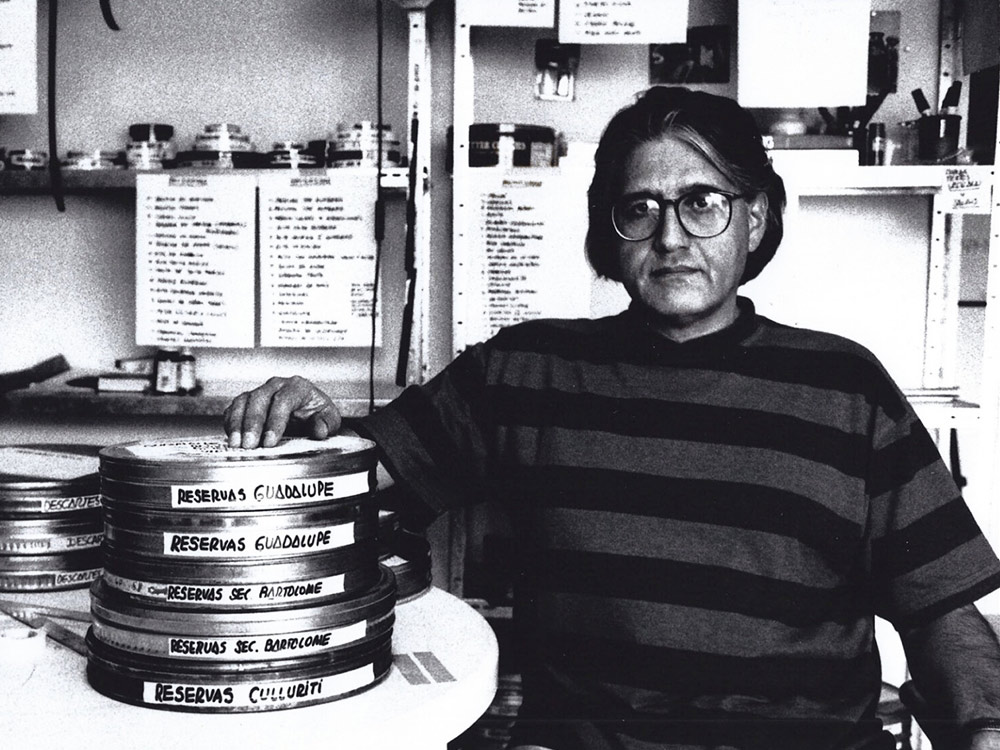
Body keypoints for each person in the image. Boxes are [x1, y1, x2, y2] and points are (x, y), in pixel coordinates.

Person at [224, 87, 1000, 750]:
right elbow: (360, 474)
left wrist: (982, 728)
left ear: (755, 220)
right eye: (641, 209)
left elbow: (943, 616)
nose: (670, 238)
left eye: (702, 203)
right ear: (611, 230)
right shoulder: (526, 372)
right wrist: (307, 426)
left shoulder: (846, 388)